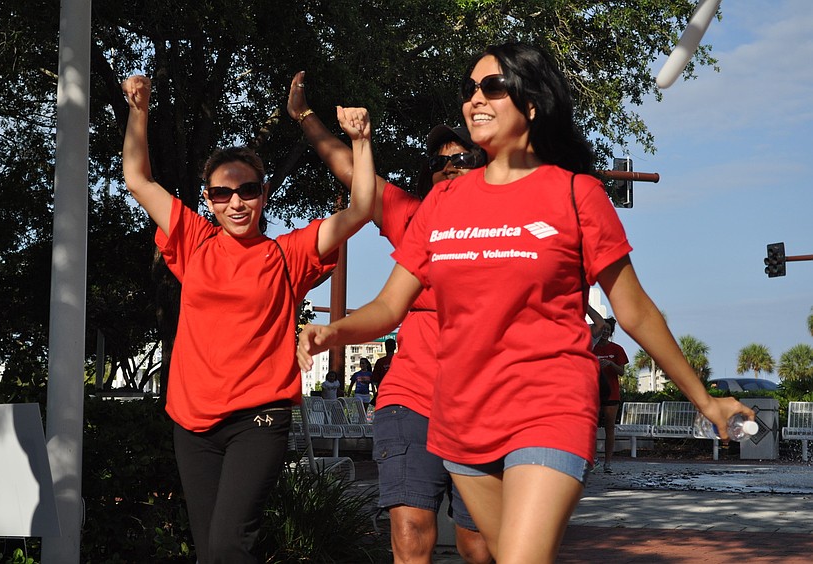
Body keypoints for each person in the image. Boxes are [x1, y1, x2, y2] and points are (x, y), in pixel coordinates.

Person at [295, 42, 754, 563]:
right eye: (470, 89)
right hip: (462, 416)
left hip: (549, 402)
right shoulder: (442, 203)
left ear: (531, 104)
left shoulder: (577, 194)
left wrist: (704, 400)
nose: (475, 100)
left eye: (492, 87)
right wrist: (333, 331)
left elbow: (635, 310)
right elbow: (389, 305)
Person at [121, 74, 375, 563]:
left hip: (258, 420)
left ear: (263, 195)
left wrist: (361, 141)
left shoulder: (288, 254)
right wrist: (139, 111)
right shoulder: (193, 240)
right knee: (210, 552)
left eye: (248, 190)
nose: (235, 202)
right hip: (192, 424)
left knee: (230, 545)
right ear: (209, 199)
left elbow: (363, 206)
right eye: (221, 194)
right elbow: (137, 177)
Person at [288, 72, 492, 564]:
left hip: (484, 407)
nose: (449, 168)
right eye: (439, 163)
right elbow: (349, 170)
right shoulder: (415, 219)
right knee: (410, 530)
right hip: (411, 401)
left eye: (462, 158)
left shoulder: (512, 231)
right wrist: (305, 117)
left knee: (478, 546)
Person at [593, 317, 629, 474]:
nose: (605, 332)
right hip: (593, 393)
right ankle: (592, 460)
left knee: (609, 428)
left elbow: (621, 372)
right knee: (590, 428)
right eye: (603, 329)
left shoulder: (617, 349)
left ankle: (608, 462)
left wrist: (611, 364)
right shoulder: (591, 348)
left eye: (608, 330)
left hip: (612, 393)